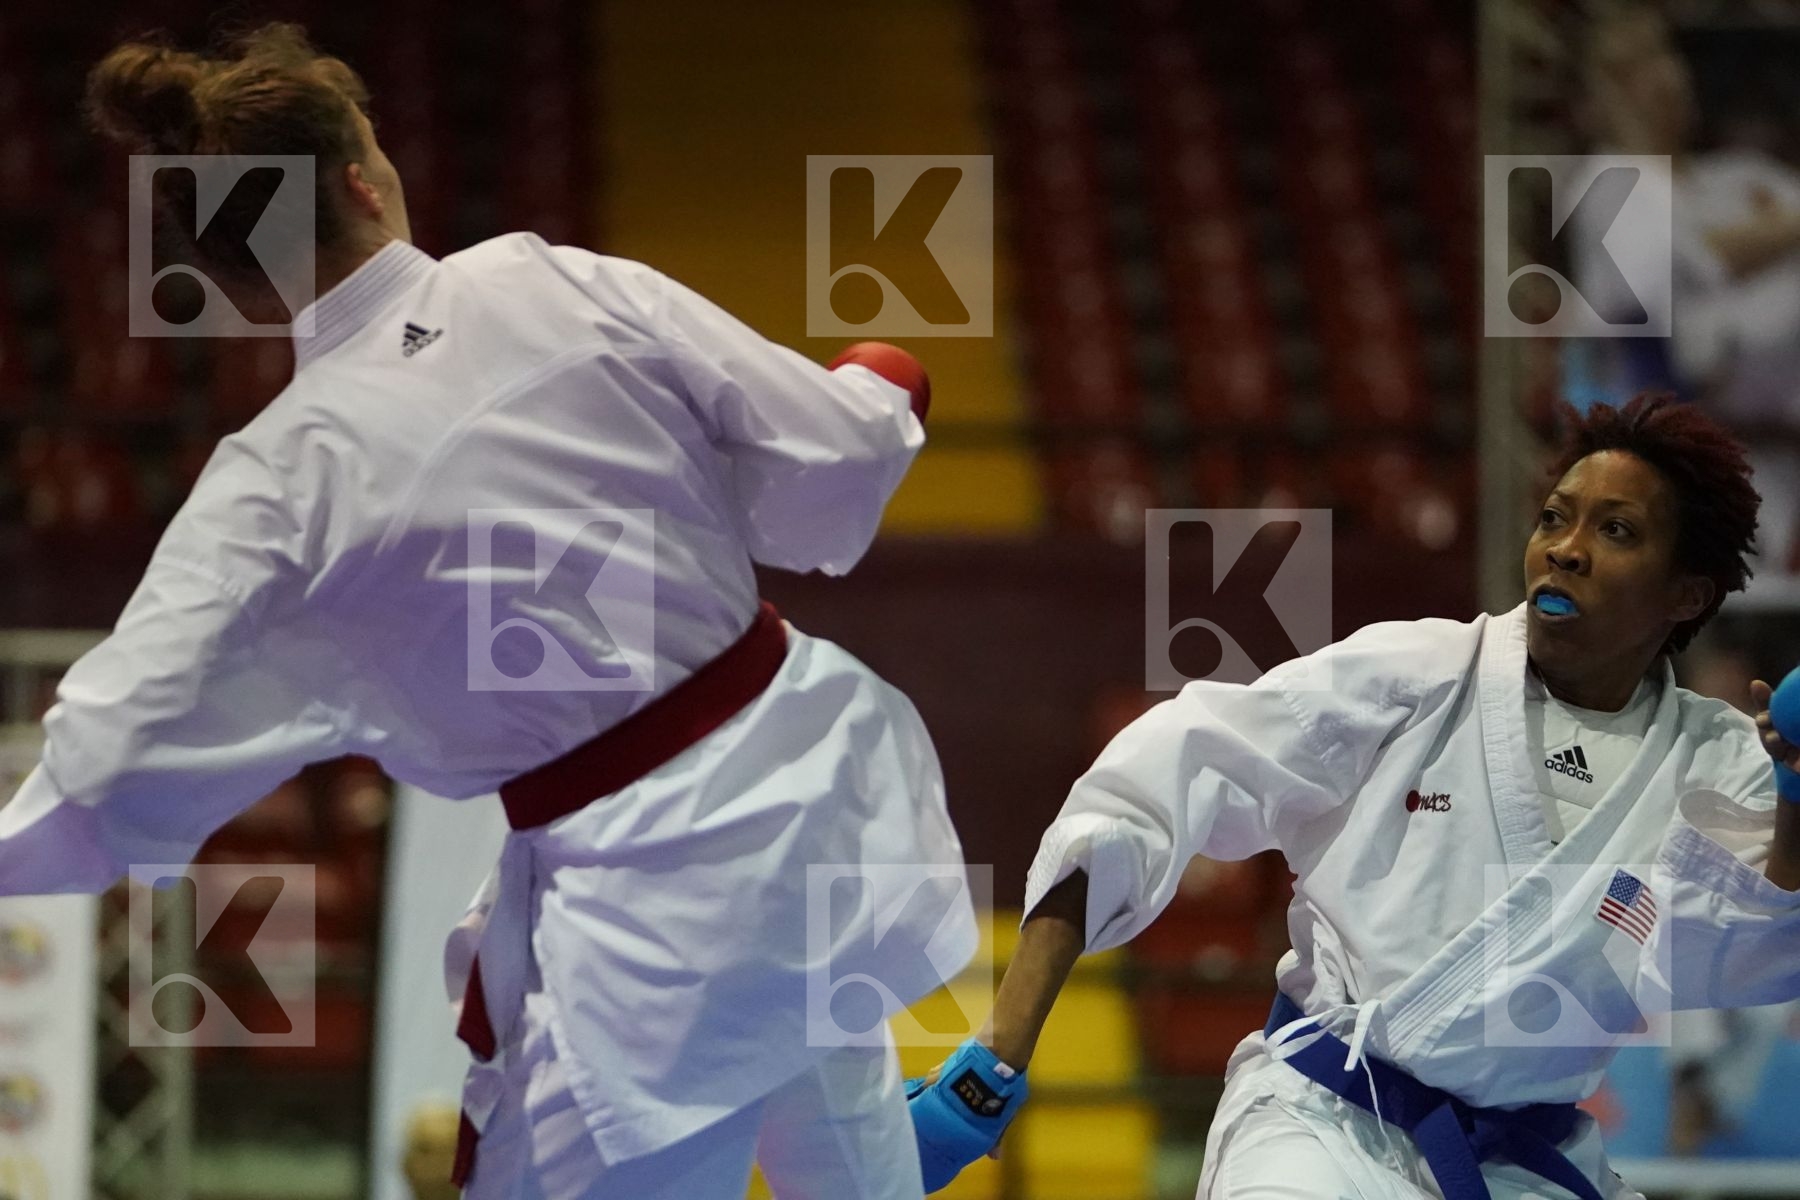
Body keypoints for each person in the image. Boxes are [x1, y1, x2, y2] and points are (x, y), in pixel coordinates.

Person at [0, 25, 972, 1200]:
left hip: (649, 912)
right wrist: (881, 381)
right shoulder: (545, 278)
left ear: (234, 282)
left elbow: (105, 762)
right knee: (855, 1174)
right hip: (810, 802)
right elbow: (824, 463)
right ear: (366, 179)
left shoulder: (275, 481)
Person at [911, 393, 1800, 1199]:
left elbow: (1747, 950)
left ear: (1686, 593)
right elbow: (1147, 792)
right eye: (1556, 518)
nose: (1564, 549)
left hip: (1527, 1164)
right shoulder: (1416, 675)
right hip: (1321, 1128)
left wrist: (1795, 795)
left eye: (1616, 533)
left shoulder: (1712, 763)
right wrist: (994, 1059)